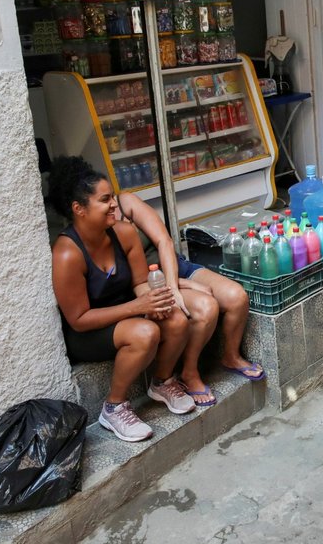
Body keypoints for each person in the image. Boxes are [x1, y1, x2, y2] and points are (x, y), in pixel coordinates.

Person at [48, 156, 196, 442]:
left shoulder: (124, 233)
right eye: (105, 200)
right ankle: (113, 408)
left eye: (113, 197)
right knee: (145, 332)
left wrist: (153, 302)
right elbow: (78, 320)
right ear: (79, 209)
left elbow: (140, 283)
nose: (115, 205)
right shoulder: (67, 253)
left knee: (176, 318)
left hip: (127, 313)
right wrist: (139, 308)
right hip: (88, 330)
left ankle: (162, 381)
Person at [113, 189, 264, 407]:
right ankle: (189, 372)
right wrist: (182, 285)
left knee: (237, 297)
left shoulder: (124, 201)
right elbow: (131, 282)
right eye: (103, 198)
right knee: (206, 307)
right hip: (150, 284)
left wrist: (175, 284)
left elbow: (164, 241)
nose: (110, 202)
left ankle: (231, 356)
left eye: (109, 195)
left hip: (175, 267)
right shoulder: (95, 232)